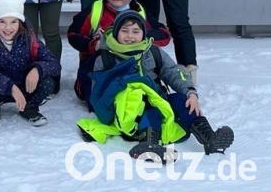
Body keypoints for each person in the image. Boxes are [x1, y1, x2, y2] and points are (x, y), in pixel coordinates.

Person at [77, 11, 233, 161]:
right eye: (124, 31)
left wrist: (191, 93)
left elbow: (172, 71)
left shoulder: (151, 51)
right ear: (116, 32)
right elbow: (98, 90)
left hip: (157, 99)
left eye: (135, 31)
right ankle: (149, 144)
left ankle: (209, 139)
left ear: (143, 34)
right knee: (146, 105)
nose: (130, 36)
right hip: (129, 111)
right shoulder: (105, 57)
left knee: (181, 100)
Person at [67, 0, 170, 108]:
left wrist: (141, 37)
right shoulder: (96, 9)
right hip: (99, 67)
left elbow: (164, 34)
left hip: (133, 67)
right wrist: (92, 44)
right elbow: (72, 34)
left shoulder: (139, 12)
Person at [0, 0, 61, 126]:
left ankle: (29, 107)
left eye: (13, 21)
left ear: (20, 22)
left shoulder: (29, 39)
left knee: (48, 81)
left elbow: (54, 63)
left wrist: (38, 70)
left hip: (25, 87)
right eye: (2, 22)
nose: (8, 28)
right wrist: (9, 87)